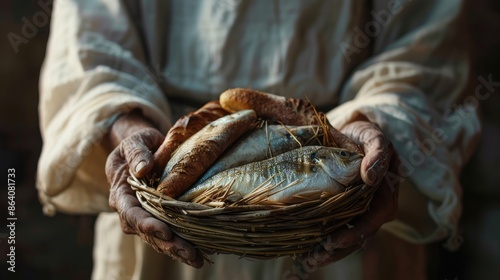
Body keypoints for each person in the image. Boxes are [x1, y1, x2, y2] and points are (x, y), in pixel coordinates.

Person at [37, 0, 480, 279]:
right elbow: (89, 49)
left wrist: (373, 124)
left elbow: (424, 55)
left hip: (340, 211)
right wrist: (130, 131)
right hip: (165, 229)